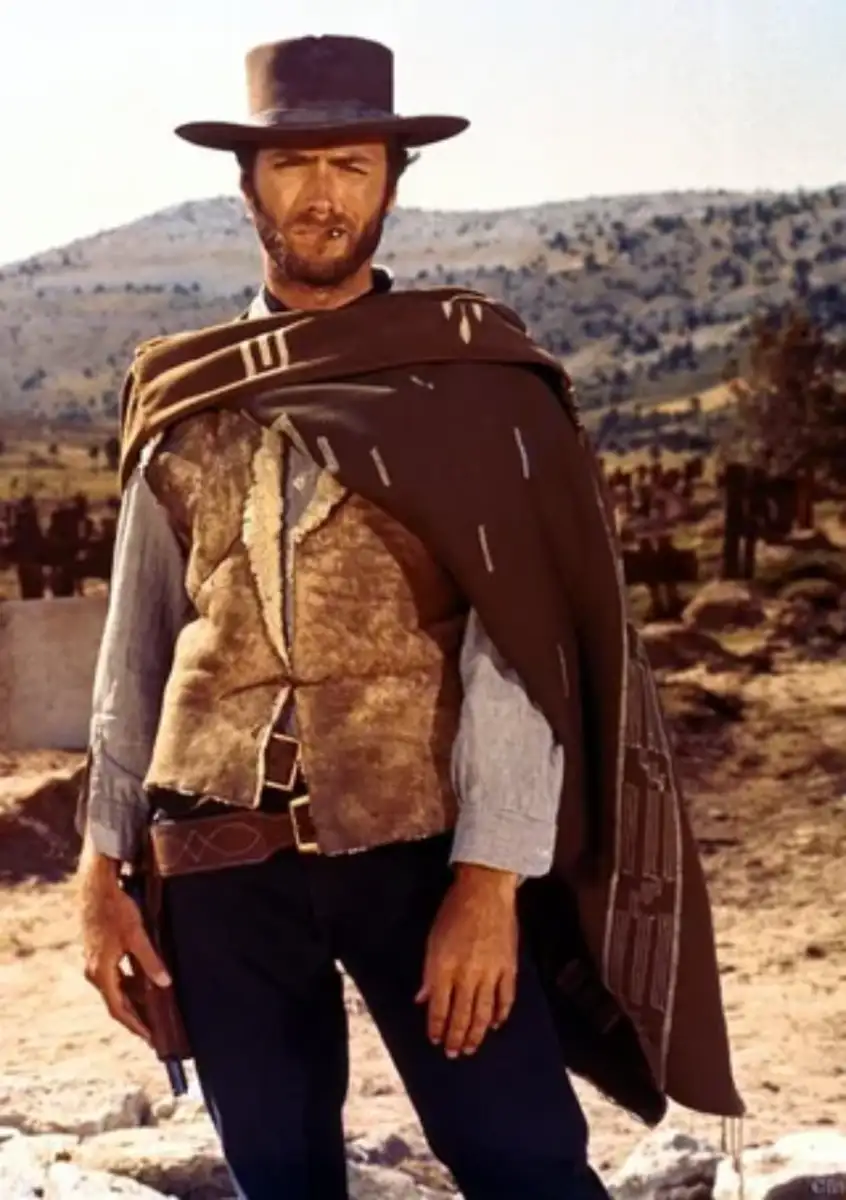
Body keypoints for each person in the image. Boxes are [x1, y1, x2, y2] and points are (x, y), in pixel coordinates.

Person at [75, 34, 743, 1200]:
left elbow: (519, 654)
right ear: (248, 187)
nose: (322, 194)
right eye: (292, 168)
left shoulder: (475, 384)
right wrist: (101, 864)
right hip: (217, 851)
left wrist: (488, 885)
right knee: (276, 1174)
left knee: (524, 1162)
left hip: (420, 849)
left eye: (352, 164)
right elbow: (137, 647)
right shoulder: (181, 388)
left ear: (392, 180)